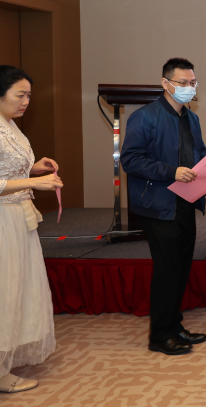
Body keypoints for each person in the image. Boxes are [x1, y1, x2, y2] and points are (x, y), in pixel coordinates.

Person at [121, 57, 206, 356]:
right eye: (182, 83)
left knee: (180, 267)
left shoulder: (191, 118)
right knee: (167, 269)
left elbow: (201, 157)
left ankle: (174, 325)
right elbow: (130, 160)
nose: (189, 88)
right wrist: (171, 171)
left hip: (186, 201)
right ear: (165, 83)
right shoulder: (144, 117)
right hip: (157, 204)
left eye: (192, 83)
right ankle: (160, 335)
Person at [0, 65, 63, 393]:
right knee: (4, 291)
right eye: (20, 95)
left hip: (17, 217)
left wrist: (33, 168)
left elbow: (8, 169)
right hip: (2, 220)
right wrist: (33, 182)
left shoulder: (10, 123)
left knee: (17, 288)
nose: (26, 101)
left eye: (28, 95)